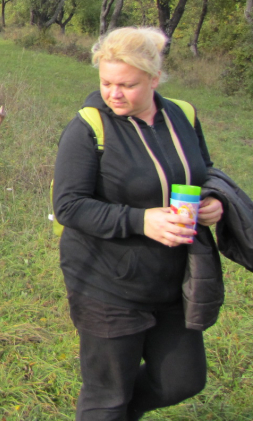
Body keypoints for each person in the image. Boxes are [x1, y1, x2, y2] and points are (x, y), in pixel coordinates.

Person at [53, 27, 224, 420]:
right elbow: (69, 205)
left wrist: (213, 200)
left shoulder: (182, 115)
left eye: (127, 85)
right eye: (107, 82)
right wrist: (141, 220)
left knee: (182, 380)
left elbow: (204, 169)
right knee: (106, 395)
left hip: (171, 278)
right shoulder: (89, 128)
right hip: (105, 281)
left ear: (154, 78)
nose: (114, 94)